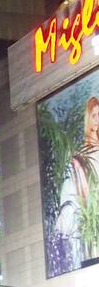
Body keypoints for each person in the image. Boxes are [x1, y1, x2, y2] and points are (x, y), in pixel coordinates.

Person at [56, 96, 99, 264]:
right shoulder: (82, 154)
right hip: (91, 217)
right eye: (94, 115)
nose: (97, 119)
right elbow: (81, 191)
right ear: (89, 118)